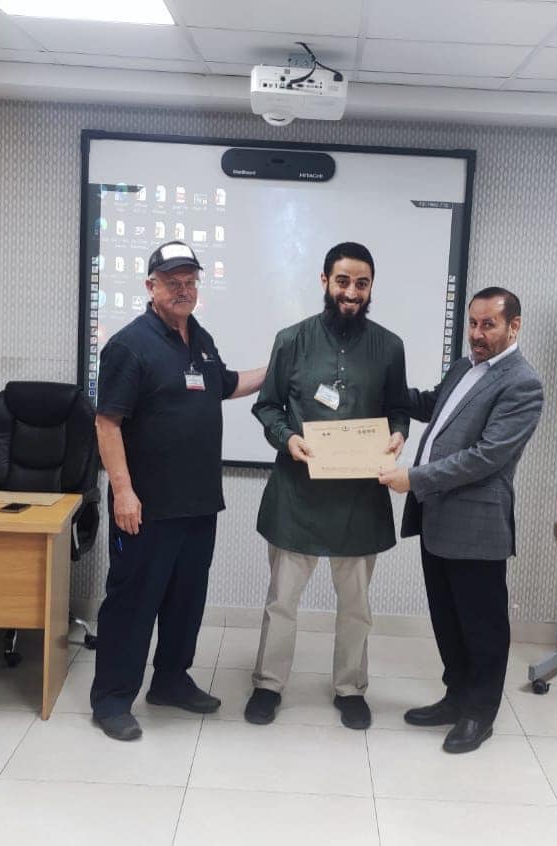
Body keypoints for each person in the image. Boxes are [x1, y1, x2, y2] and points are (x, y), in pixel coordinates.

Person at [90, 240, 265, 741]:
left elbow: (224, 384)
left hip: (197, 503)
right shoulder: (130, 345)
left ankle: (170, 681)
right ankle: (111, 699)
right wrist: (123, 493)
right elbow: (107, 423)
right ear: (151, 286)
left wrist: (278, 368)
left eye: (190, 281)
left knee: (186, 601)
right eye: (172, 282)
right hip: (145, 508)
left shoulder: (199, 338)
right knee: (132, 604)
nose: (183, 289)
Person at [246, 242, 410, 729]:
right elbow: (267, 406)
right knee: (281, 603)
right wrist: (287, 438)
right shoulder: (291, 340)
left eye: (361, 283)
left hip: (359, 500)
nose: (351, 292)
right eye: (342, 281)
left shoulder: (390, 347)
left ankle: (350, 688)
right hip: (297, 495)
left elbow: (398, 409)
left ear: (371, 287)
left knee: (356, 607)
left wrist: (398, 433)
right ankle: (268, 684)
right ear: (324, 281)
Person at [379, 287, 543, 754]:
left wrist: (413, 478)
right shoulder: (463, 367)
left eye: (489, 324)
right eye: (473, 323)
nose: (477, 333)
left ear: (513, 326)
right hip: (437, 519)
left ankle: (479, 713)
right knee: (447, 619)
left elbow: (485, 456)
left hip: (477, 528)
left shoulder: (522, 384)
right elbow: (431, 404)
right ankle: (455, 698)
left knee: (482, 626)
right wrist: (380, 387)